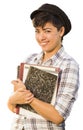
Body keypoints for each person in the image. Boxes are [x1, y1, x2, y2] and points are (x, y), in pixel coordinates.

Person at [7, 3, 79, 130]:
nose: (41, 37)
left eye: (47, 31)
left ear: (61, 31)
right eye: (37, 31)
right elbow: (14, 107)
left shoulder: (68, 65)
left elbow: (58, 116)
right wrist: (12, 99)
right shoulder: (29, 60)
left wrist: (28, 98)